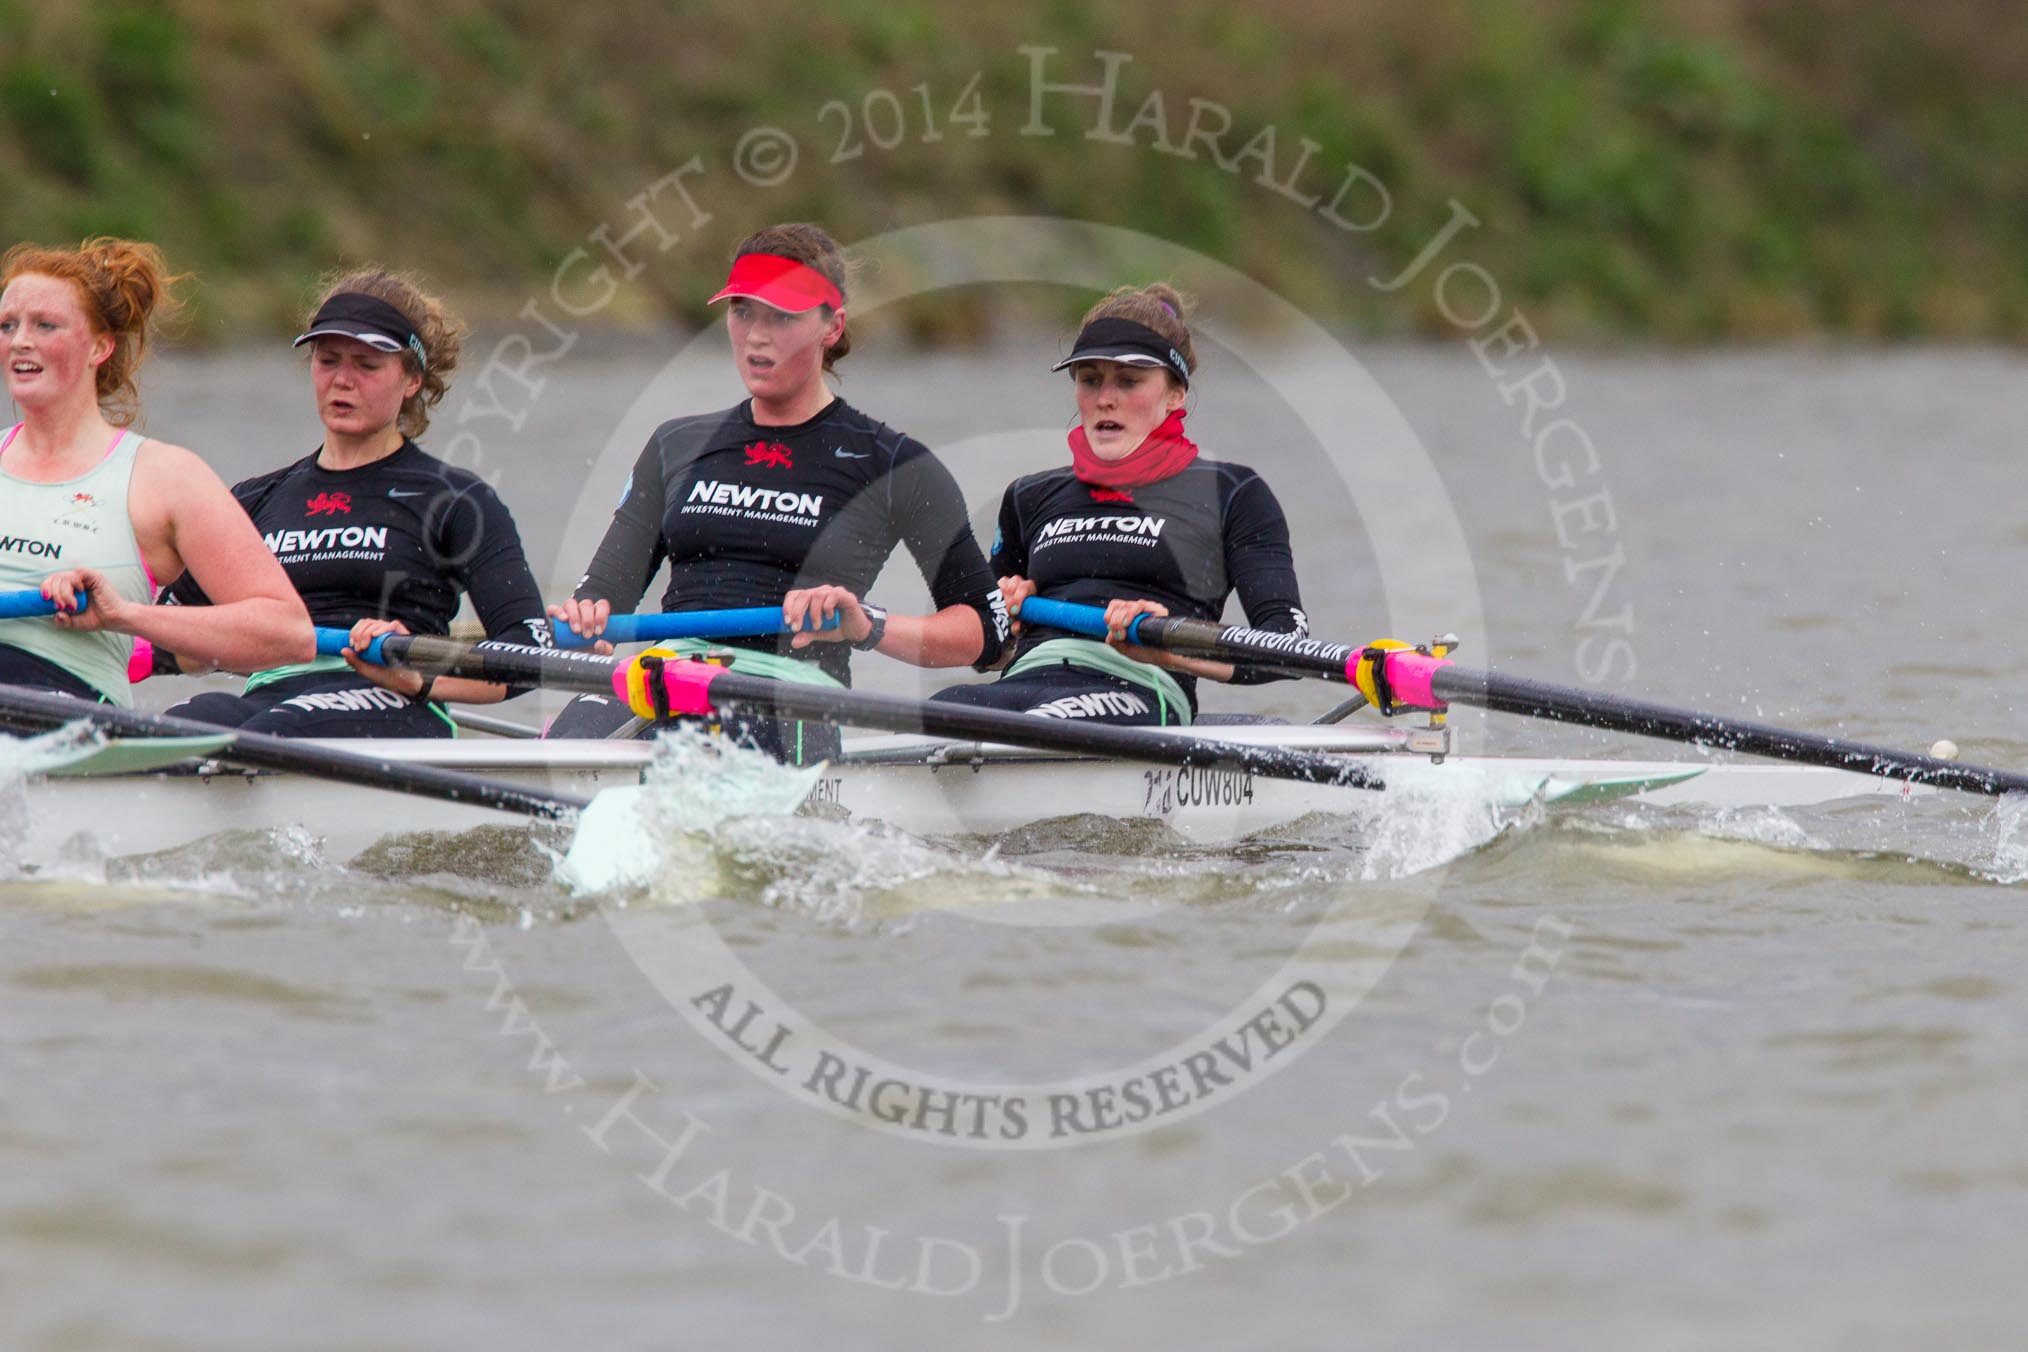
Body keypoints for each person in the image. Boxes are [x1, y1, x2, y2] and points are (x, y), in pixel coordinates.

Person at [547, 222, 1007, 761]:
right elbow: (602, 594)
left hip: (791, 690)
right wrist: (583, 621)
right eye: (742, 311)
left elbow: (988, 634)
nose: (757, 335)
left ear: (831, 327)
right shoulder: (677, 444)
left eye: (782, 316)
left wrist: (866, 625)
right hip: (663, 675)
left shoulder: (896, 464)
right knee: (554, 765)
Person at [157, 269, 547, 737]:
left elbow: (529, 651)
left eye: (367, 364)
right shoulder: (256, 499)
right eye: (328, 360)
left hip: (394, 698)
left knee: (271, 728)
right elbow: (170, 642)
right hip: (269, 699)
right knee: (177, 724)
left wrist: (419, 679)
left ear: (411, 380)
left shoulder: (456, 501)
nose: (342, 380)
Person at [933, 284, 1305, 727]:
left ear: (1175, 394)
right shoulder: (1028, 497)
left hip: (1140, 688)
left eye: (1129, 381)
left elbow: (1287, 645)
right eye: (1090, 380)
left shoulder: (1233, 493)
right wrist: (1004, 620)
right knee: (935, 710)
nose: (1105, 398)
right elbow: (987, 653)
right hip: (1024, 681)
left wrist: (1174, 647)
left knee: (1042, 720)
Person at [0, 238, 311, 705]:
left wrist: (124, 615)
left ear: (99, 347)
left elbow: (288, 634)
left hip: (64, 721)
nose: (20, 340)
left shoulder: (164, 477)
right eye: (8, 325)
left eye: (46, 325)